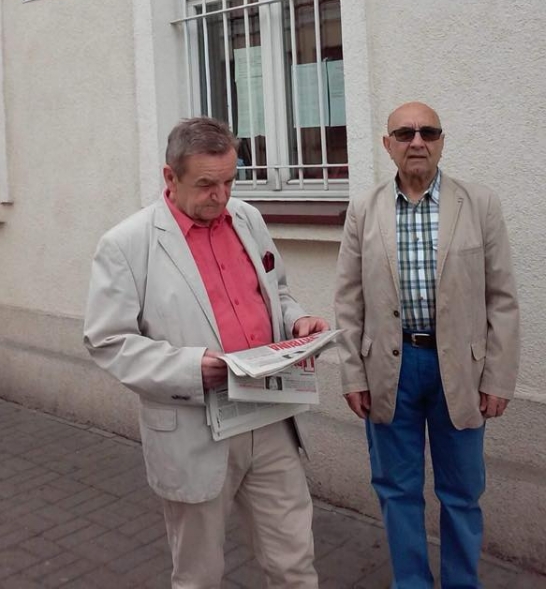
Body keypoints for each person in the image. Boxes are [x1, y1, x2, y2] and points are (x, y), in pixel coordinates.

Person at [84, 116, 329, 589]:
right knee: (199, 576)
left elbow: (276, 291)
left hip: (270, 415)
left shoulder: (247, 218)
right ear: (170, 177)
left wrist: (297, 321)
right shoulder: (126, 244)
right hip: (196, 427)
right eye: (206, 185)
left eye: (230, 181)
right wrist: (191, 368)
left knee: (295, 565)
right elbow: (107, 341)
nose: (221, 197)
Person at [334, 101, 519, 589]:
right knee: (397, 489)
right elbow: (348, 300)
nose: (417, 141)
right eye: (405, 133)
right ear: (387, 144)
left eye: (428, 132)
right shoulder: (364, 209)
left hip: (460, 370)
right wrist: (352, 373)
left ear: (441, 141)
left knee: (462, 491)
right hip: (389, 369)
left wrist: (498, 377)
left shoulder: (479, 204)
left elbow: (501, 298)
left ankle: (461, 583)